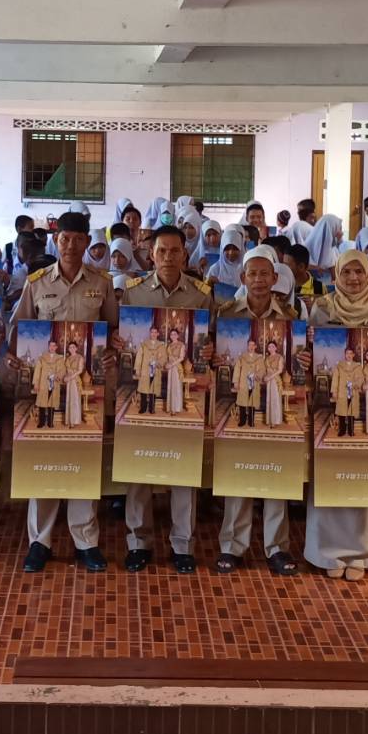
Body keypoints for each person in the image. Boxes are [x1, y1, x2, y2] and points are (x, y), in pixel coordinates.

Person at [10, 210, 119, 574]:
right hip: (46, 385)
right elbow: (19, 329)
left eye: (77, 239)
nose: (71, 245)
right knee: (43, 458)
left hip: (85, 385)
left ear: (87, 242)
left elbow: (114, 330)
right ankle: (39, 541)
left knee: (84, 459)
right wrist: (15, 356)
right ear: (56, 241)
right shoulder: (37, 282)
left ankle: (85, 541)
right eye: (64, 239)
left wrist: (111, 351)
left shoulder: (102, 283)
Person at [119, 225, 213, 574]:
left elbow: (211, 340)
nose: (168, 257)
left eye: (175, 251)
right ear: (151, 255)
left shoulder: (201, 296)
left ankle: (183, 545)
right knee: (139, 464)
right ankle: (138, 542)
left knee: (183, 466)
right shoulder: (134, 293)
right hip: (144, 384)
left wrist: (209, 348)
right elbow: (124, 339)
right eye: (162, 251)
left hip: (180, 385)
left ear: (185, 255)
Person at [306, 250, 368, 582]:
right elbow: (310, 352)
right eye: (346, 272)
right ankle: (325, 550)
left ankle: (361, 552)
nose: (353, 278)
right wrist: (307, 353)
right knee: (331, 469)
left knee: (364, 470)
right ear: (337, 275)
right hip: (332, 400)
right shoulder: (322, 308)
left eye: (359, 272)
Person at [214, 246, 299, 576]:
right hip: (242, 399)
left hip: (274, 398)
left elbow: (296, 361)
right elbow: (214, 357)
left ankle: (277, 547)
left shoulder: (290, 317)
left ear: (275, 278)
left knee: (276, 469)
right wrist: (214, 356)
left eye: (265, 274)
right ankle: (232, 546)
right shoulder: (227, 315)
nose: (259, 280)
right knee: (238, 468)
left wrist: (303, 359)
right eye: (253, 274)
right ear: (242, 277)